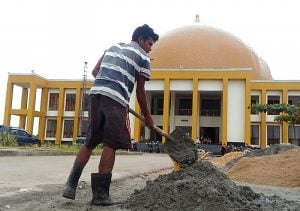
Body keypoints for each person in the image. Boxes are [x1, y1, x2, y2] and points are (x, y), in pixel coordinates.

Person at [62, 24, 159, 206]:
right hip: (115, 99)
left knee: (90, 142)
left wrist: (110, 83)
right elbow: (140, 91)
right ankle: (100, 196)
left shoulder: (112, 47)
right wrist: (148, 117)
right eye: (150, 43)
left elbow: (94, 72)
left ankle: (70, 186)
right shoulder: (143, 57)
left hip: (96, 94)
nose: (150, 48)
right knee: (110, 144)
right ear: (141, 40)